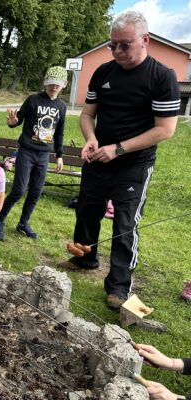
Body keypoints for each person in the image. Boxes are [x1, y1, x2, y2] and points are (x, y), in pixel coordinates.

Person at [58, 11, 180, 310]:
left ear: (145, 40)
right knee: (87, 210)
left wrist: (119, 148)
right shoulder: (103, 72)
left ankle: (119, 286)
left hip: (134, 164)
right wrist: (90, 138)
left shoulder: (162, 77)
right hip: (98, 158)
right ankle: (85, 259)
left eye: (125, 44)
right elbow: (87, 114)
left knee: (125, 223)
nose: (117, 51)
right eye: (113, 45)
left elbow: (165, 130)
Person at [0, 66, 68, 240]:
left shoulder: (61, 106)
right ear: (45, 83)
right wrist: (12, 122)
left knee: (36, 192)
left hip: (44, 156)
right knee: (19, 190)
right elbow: (17, 119)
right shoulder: (33, 100)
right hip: (26, 152)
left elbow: (59, 132)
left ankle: (23, 224)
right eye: (50, 83)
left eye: (57, 85)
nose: (53, 87)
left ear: (64, 84)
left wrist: (59, 155)